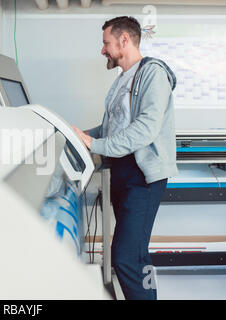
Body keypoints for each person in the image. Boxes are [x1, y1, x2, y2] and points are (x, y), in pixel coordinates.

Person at [72, 16, 178, 300]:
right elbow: (112, 128)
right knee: (138, 254)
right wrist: (80, 134)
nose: (103, 50)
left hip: (141, 176)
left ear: (124, 40)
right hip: (123, 172)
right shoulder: (122, 80)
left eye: (106, 43)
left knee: (126, 258)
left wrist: (94, 143)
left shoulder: (152, 74)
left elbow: (144, 129)